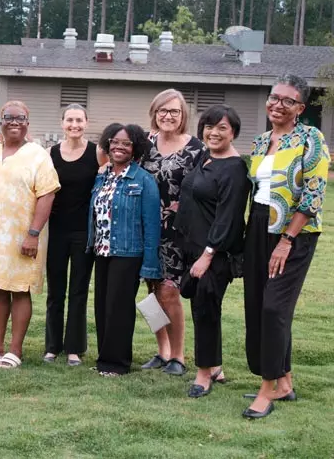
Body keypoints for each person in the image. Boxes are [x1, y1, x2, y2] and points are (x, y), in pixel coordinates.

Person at [242, 75, 329, 419]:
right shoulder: (262, 140)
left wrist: (287, 240)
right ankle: (285, 382)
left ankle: (267, 389)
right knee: (258, 305)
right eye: (274, 97)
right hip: (258, 228)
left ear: (300, 109)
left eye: (287, 101)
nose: (278, 104)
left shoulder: (311, 138)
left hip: (295, 232)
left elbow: (314, 194)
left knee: (274, 309)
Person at [0, 101, 59, 369]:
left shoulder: (38, 155)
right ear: (0, 121)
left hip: (24, 234)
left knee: (20, 289)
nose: (14, 122)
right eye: (8, 117)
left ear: (27, 123)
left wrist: (33, 233)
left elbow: (47, 194)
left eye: (20, 118)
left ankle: (15, 350)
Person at [174, 105, 250, 398]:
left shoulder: (234, 168)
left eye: (222, 128)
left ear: (233, 133)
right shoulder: (206, 157)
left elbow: (229, 217)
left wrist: (207, 254)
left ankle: (204, 373)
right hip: (192, 246)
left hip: (215, 253)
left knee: (206, 307)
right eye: (209, 126)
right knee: (201, 307)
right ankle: (215, 365)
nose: (214, 132)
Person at [89, 123, 161, 376]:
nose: (119, 147)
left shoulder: (143, 181)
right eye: (115, 142)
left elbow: (152, 225)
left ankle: (117, 363)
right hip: (103, 251)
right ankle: (104, 358)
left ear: (136, 148)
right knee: (102, 307)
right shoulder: (103, 176)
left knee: (119, 309)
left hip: (128, 253)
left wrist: (150, 264)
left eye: (126, 143)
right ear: (108, 144)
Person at [141, 89, 204, 376]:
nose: (168, 116)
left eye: (174, 112)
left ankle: (178, 355)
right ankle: (162, 349)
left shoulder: (196, 148)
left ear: (183, 116)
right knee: (151, 292)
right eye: (162, 111)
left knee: (169, 292)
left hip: (180, 232)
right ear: (154, 113)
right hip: (146, 228)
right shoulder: (144, 143)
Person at [44, 104, 107, 366]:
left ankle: (74, 348)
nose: (74, 125)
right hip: (56, 231)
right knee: (55, 290)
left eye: (79, 120)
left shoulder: (97, 153)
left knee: (78, 290)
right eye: (69, 120)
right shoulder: (50, 154)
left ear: (86, 123)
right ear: (62, 124)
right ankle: (52, 346)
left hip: (84, 232)